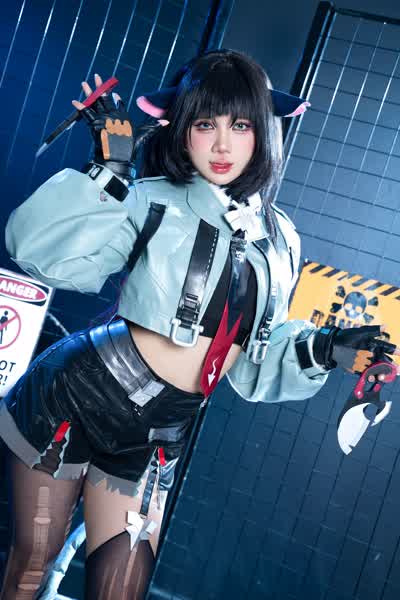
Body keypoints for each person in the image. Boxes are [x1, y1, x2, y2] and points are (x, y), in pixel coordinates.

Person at [0, 49, 397, 600]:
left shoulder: (280, 237)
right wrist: (109, 174)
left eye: (240, 126)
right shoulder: (149, 199)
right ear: (182, 128)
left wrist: (327, 348)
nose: (222, 145)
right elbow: (39, 253)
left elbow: (255, 358)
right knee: (32, 566)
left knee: (120, 590)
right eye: (205, 124)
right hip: (74, 398)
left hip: (159, 433)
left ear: (265, 131)